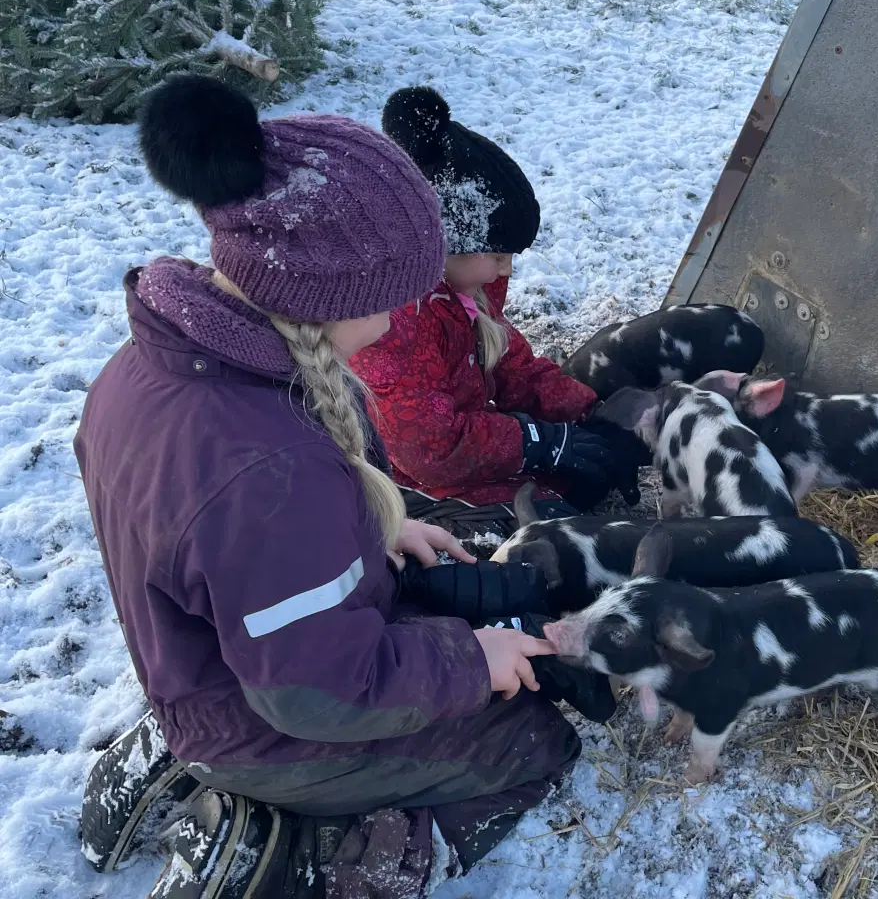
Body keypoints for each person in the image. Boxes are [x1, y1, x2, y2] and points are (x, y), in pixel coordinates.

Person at [72, 74, 599, 898]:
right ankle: (296, 862)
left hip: (212, 651)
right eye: (386, 300)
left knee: (445, 602)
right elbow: (318, 693)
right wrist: (472, 662)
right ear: (324, 295)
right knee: (531, 744)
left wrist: (373, 529)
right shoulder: (269, 471)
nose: (393, 324)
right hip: (271, 712)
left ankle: (185, 747)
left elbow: (213, 541)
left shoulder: (161, 361)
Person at [350, 87, 648, 548]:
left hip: (456, 438)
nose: (507, 268)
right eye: (497, 253)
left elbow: (506, 361)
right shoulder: (392, 323)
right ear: (441, 243)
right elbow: (429, 447)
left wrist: (588, 416)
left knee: (588, 475)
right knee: (546, 538)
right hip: (398, 472)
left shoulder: (467, 288)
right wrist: (538, 441)